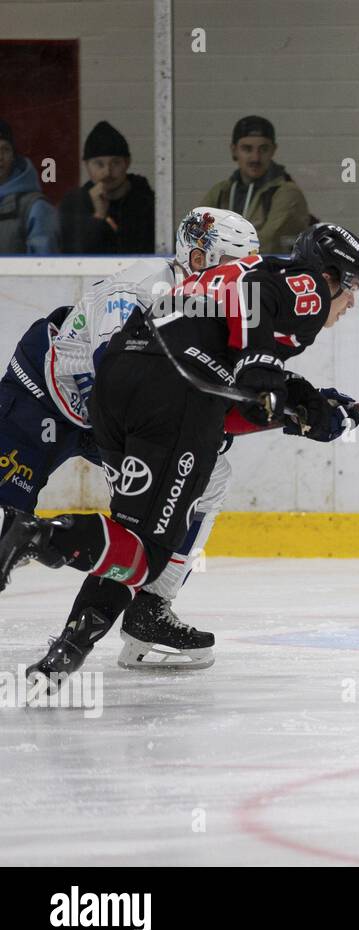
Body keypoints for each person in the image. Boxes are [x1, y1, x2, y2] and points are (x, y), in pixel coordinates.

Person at [1, 222, 359, 683]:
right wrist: (265, 376)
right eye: (352, 286)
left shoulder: (201, 293)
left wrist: (306, 406)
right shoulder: (299, 285)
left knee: (169, 508)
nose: (353, 300)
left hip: (122, 398)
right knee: (144, 547)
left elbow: (225, 390)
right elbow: (247, 336)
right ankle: (41, 537)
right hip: (52, 400)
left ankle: (78, 643)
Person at [0, 208, 261, 668]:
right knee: (4, 519)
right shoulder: (141, 290)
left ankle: (150, 609)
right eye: (231, 263)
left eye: (247, 266)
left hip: (109, 417)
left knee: (208, 473)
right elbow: (112, 374)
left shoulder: (209, 301)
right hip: (43, 397)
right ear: (197, 255)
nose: (240, 277)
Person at [201, 115, 311, 254]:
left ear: (273, 150)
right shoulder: (221, 191)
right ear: (234, 150)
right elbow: (195, 234)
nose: (255, 158)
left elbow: (266, 242)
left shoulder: (287, 193)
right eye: (247, 149)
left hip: (271, 273)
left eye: (263, 149)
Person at [58, 121, 156, 254]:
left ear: (127, 163)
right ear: (86, 165)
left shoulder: (147, 202)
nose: (107, 172)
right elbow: (72, 259)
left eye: (115, 163)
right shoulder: (74, 204)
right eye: (99, 164)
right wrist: (99, 217)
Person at [0, 118, 59, 254]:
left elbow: (44, 267)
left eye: (5, 149)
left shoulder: (35, 207)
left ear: (14, 156)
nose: (0, 156)